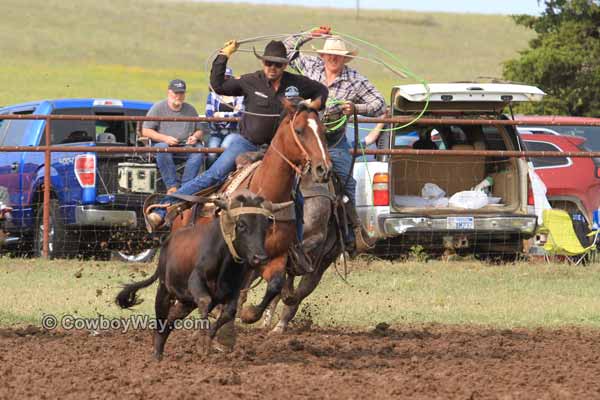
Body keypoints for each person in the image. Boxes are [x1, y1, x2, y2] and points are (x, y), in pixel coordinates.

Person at [146, 40, 329, 230]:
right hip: (248, 143)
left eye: (278, 64)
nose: (272, 68)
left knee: (295, 197)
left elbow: (322, 91)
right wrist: (224, 55)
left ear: (285, 65)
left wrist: (312, 106)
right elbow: (218, 85)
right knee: (213, 175)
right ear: (262, 62)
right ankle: (161, 211)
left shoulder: (296, 84)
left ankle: (296, 245)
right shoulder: (251, 81)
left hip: (278, 150)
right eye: (268, 63)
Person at [283, 26, 387, 252]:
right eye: (329, 54)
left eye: (338, 56)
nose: (333, 58)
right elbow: (286, 48)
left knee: (348, 182)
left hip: (333, 141)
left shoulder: (355, 80)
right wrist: (310, 34)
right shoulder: (310, 66)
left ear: (344, 59)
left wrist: (355, 107)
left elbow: (379, 104)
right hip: (305, 139)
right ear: (322, 55)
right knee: (280, 171)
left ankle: (353, 232)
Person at [142, 79, 206, 194]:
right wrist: (165, 138)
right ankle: (172, 186)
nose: (178, 96)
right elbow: (146, 131)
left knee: (198, 151)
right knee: (162, 147)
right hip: (165, 145)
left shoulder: (191, 109)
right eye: (176, 93)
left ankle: (186, 186)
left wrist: (195, 137)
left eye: (181, 93)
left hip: (185, 145)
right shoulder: (158, 107)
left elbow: (200, 130)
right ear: (169, 93)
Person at [205, 67, 244, 166]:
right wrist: (230, 115)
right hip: (216, 132)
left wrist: (219, 115)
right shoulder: (213, 95)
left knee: (225, 147)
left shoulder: (239, 96)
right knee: (211, 153)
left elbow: (239, 114)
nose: (225, 80)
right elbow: (209, 115)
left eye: (228, 78)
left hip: (234, 131)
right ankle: (211, 176)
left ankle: (225, 177)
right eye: (222, 78)